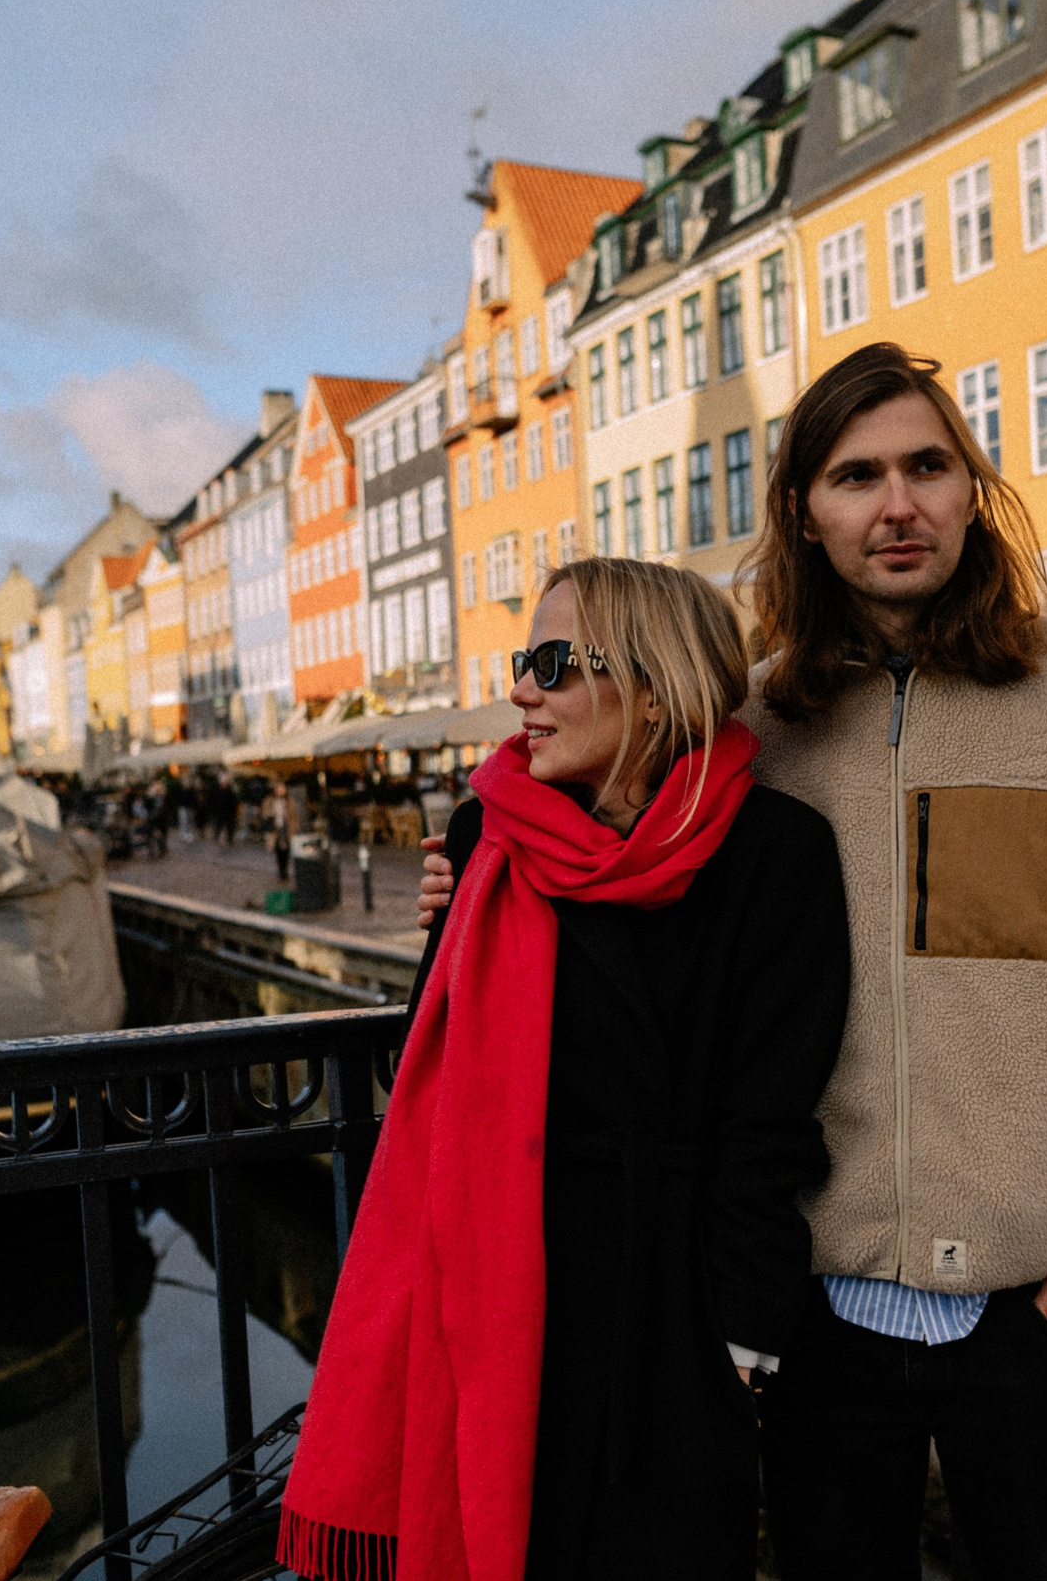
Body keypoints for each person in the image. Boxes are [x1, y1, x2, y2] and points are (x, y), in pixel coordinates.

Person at [422, 341, 1047, 1577]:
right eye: (856, 477)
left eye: (927, 466)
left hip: (1027, 1295)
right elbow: (614, 883)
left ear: (971, 489)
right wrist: (468, 880)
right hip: (814, 1308)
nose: (896, 504)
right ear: (805, 511)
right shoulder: (754, 721)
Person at [281, 557, 850, 1581]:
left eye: (551, 665)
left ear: (652, 686)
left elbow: (768, 1121)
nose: (520, 692)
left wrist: (741, 1342)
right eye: (522, 662)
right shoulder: (487, 836)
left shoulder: (776, 851)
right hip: (501, 1293)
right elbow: (432, 1064)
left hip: (672, 1313)